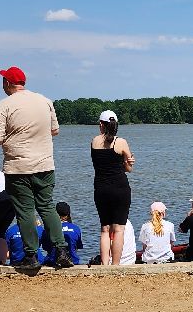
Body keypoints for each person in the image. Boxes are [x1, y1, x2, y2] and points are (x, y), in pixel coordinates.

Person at [0, 66, 70, 272]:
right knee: (47, 206)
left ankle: (31, 255)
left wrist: (13, 137)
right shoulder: (45, 101)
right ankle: (61, 251)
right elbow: (55, 131)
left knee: (25, 211)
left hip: (18, 167)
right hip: (44, 164)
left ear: (7, 83)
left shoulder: (4, 105)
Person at [91, 109, 134, 265]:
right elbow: (128, 169)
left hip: (101, 188)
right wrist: (127, 162)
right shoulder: (121, 142)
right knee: (118, 229)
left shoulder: (94, 141)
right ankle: (115, 265)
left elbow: (101, 165)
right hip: (120, 188)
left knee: (105, 229)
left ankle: (104, 264)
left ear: (101, 125)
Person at [55, 201, 84, 266]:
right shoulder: (76, 228)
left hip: (54, 261)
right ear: (68, 214)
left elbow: (46, 247)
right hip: (74, 260)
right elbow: (77, 247)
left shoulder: (51, 228)